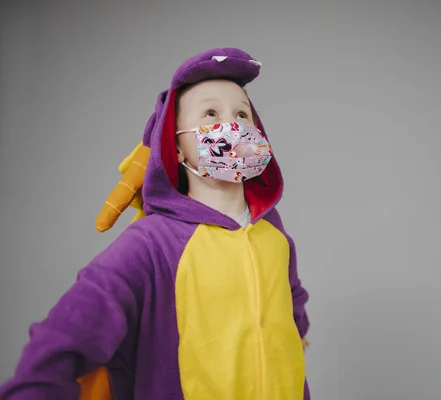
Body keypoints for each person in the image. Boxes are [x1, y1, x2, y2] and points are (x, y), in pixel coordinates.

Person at [0, 47, 311, 400]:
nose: (234, 125)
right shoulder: (152, 243)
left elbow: (292, 304)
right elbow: (70, 330)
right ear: (175, 147)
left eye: (243, 114)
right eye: (211, 113)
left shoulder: (274, 235)